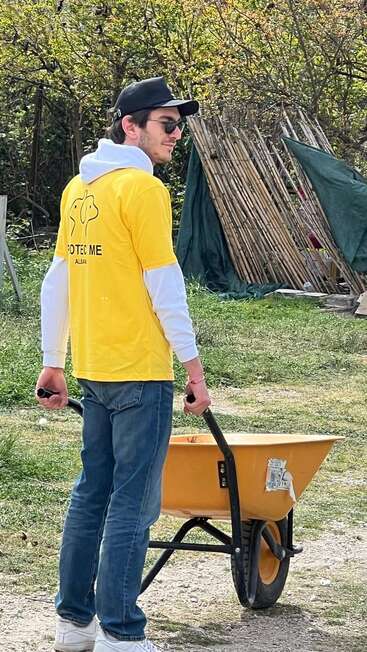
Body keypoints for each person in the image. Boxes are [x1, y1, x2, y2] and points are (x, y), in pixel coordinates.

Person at [35, 76, 211, 652]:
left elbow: (58, 279)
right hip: (139, 367)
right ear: (129, 126)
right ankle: (120, 633)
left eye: (178, 125)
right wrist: (193, 367)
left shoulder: (77, 189)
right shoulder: (142, 190)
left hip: (95, 367)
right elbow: (165, 283)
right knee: (134, 501)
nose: (175, 134)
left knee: (93, 492)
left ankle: (74, 624)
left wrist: (52, 360)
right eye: (166, 124)